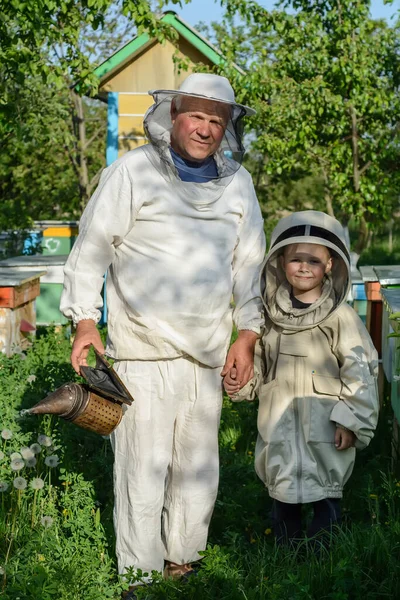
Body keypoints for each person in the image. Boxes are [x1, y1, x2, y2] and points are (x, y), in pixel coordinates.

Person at [60, 73, 266, 596]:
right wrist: (85, 318)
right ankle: (138, 574)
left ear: (227, 129)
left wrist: (248, 335)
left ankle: (183, 562)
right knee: (142, 472)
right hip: (141, 352)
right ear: (172, 116)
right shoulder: (131, 173)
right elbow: (92, 248)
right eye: (195, 116)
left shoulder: (238, 185)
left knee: (199, 470)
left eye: (215, 120)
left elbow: (250, 266)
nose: (204, 128)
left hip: (207, 354)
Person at [224, 210, 379, 547]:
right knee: (283, 500)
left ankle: (325, 563)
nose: (305, 267)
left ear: (331, 265)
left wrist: (351, 421)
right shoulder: (269, 317)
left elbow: (361, 370)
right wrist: (241, 382)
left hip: (326, 429)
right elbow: (260, 366)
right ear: (280, 261)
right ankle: (286, 560)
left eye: (314, 260)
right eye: (297, 259)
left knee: (325, 499)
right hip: (278, 424)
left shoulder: (341, 318)